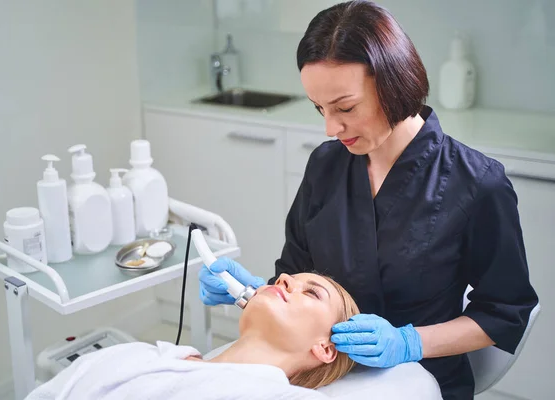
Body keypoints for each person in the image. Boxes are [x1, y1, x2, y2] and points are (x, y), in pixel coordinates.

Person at [198, 1, 539, 399]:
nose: (330, 127)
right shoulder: (325, 165)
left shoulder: (478, 183)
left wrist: (409, 342)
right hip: (318, 376)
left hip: (419, 379)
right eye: (320, 109)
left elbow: (503, 314)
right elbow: (294, 271)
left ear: (394, 84)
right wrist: (257, 294)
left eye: (345, 108)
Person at [25, 273, 359, 399]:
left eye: (312, 293)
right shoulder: (138, 355)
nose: (284, 277)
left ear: (326, 348)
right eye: (288, 277)